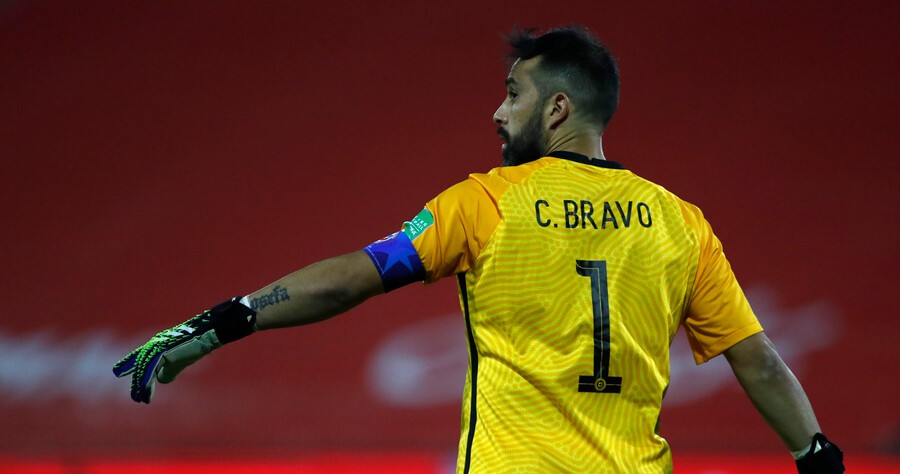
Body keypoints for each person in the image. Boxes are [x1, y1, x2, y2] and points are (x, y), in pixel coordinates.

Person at [114, 26, 844, 474]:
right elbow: (759, 362)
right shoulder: (679, 223)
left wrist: (220, 322)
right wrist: (818, 459)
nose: (498, 111)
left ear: (557, 107)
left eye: (512, 92)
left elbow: (353, 278)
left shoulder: (487, 201)